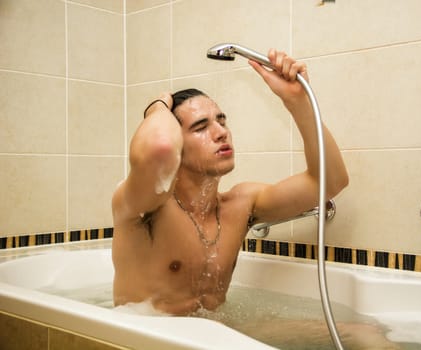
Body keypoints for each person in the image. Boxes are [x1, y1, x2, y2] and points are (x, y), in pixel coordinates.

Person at [111, 49, 349, 316]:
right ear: (178, 144)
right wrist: (157, 105)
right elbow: (159, 147)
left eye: (221, 121)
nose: (221, 132)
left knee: (361, 335)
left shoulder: (240, 205)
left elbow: (330, 182)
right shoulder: (145, 204)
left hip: (213, 335)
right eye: (201, 127)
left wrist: (297, 101)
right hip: (145, 342)